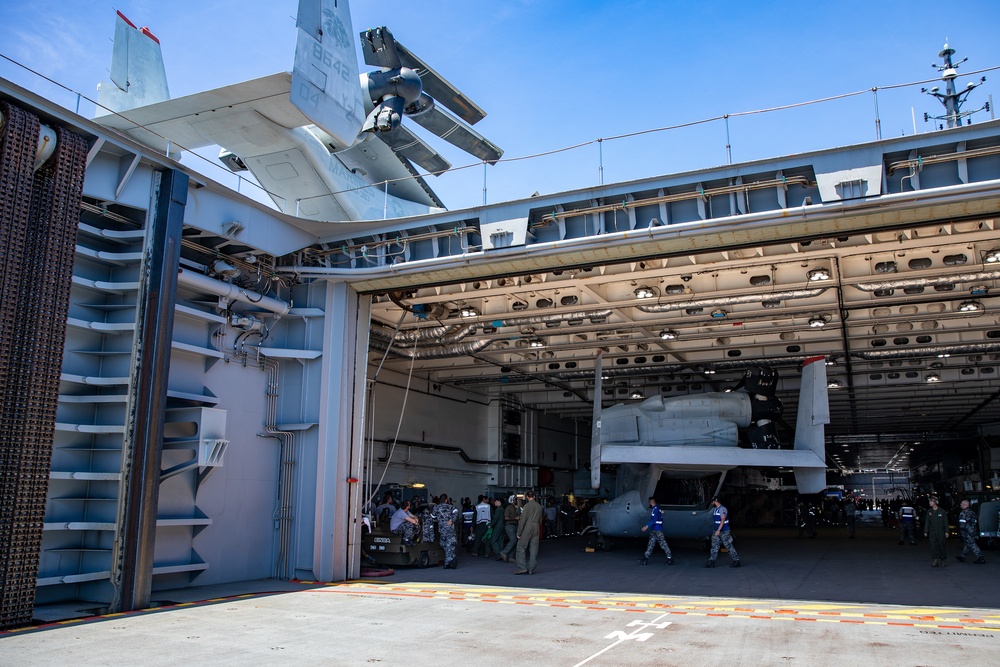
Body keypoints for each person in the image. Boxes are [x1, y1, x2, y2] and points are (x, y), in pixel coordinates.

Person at [704, 496, 740, 568]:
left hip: (724, 531)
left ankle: (736, 560)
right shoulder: (715, 509)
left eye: (713, 501)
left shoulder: (722, 509)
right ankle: (711, 561)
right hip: (717, 530)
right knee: (714, 546)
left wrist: (719, 530)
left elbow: (722, 520)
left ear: (716, 501)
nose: (712, 502)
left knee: (728, 545)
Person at [514, 490, 543, 574]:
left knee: (521, 547)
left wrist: (518, 533)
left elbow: (522, 521)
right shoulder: (539, 506)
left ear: (527, 497)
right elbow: (540, 520)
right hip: (536, 526)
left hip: (528, 526)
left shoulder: (526, 506)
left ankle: (522, 567)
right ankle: (531, 568)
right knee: (534, 548)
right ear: (534, 496)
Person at [639, 497, 674, 565]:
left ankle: (670, 558)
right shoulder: (656, 509)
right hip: (655, 530)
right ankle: (645, 559)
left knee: (663, 545)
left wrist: (646, 526)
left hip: (657, 530)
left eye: (649, 502)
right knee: (650, 545)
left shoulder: (655, 509)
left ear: (651, 502)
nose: (648, 503)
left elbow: (654, 520)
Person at [432, 495, 459, 569]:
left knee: (446, 545)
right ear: (446, 500)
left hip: (443, 529)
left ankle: (447, 564)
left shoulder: (436, 507)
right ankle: (452, 557)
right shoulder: (451, 507)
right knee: (446, 545)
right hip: (449, 529)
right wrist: (452, 519)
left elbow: (433, 517)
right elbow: (456, 512)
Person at [956, 499, 986, 564]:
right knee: (967, 543)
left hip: (966, 531)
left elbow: (962, 524)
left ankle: (980, 557)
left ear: (965, 505)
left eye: (961, 504)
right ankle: (962, 556)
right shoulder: (972, 512)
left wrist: (960, 531)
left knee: (972, 544)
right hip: (972, 530)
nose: (960, 505)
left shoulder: (963, 513)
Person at [924, 495, 948, 567]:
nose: (930, 503)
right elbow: (927, 522)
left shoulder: (942, 511)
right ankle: (935, 559)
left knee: (941, 545)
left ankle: (943, 559)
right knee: (933, 546)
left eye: (931, 501)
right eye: (930, 501)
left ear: (935, 502)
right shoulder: (929, 511)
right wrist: (926, 531)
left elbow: (945, 522)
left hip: (941, 531)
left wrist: (947, 531)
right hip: (933, 532)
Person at [500, 495, 520, 563]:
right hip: (509, 525)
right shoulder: (509, 508)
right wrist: (515, 518)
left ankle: (511, 557)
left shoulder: (515, 508)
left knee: (515, 541)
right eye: (515, 499)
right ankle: (504, 552)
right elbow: (506, 518)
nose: (516, 501)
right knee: (513, 540)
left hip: (514, 525)